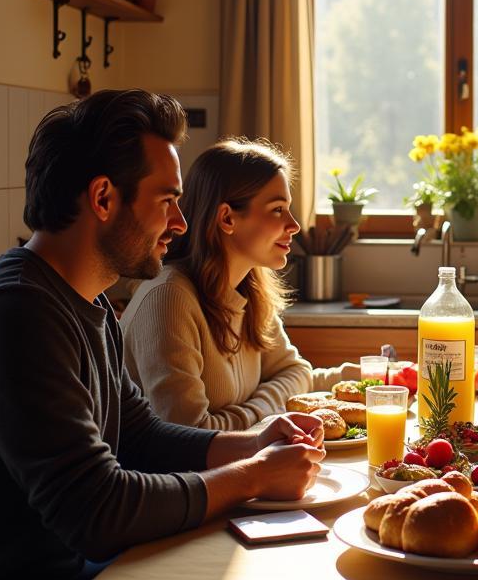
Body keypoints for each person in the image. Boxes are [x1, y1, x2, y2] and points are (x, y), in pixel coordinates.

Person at [0, 90, 325, 580]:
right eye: (168, 202)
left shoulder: (87, 304)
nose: (180, 223)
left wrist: (251, 442)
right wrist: (252, 475)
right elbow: (96, 512)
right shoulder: (13, 314)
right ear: (102, 199)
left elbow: (143, 437)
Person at [120, 138, 358, 429]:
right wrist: (270, 413)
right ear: (227, 218)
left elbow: (296, 372)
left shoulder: (249, 289)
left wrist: (369, 377)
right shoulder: (168, 299)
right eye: (277, 209)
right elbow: (192, 437)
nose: (294, 225)